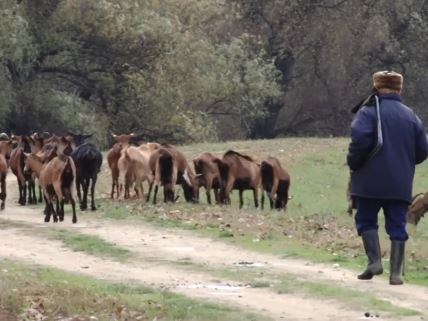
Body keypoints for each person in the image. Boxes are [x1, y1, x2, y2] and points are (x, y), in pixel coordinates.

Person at [347, 70, 428, 285]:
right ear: (399, 88)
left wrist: (354, 163)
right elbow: (422, 151)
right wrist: (403, 165)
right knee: (397, 225)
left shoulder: (367, 112)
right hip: (399, 184)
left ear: (376, 86)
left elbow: (359, 142)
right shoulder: (411, 115)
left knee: (365, 219)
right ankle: (396, 274)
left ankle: (374, 262)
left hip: (368, 182)